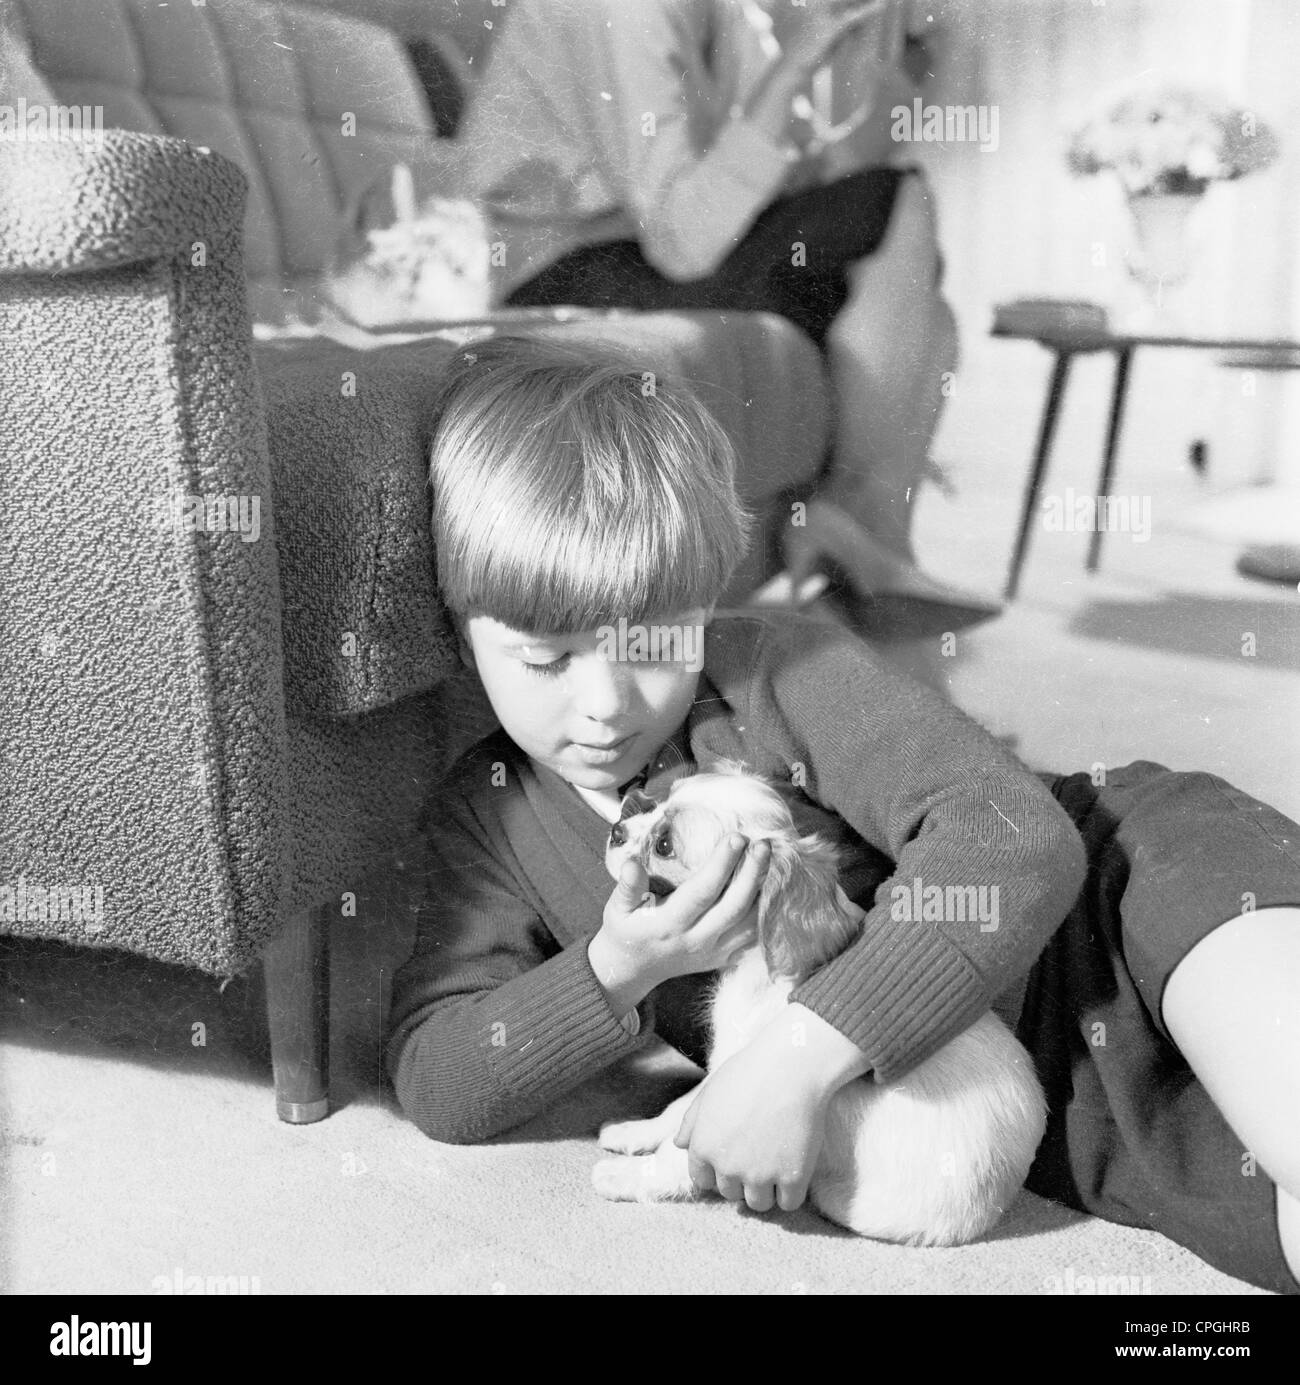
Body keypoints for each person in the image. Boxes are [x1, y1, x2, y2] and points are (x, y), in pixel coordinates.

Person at [386, 337, 1300, 1294]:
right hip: (1033, 1102)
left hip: (1120, 903)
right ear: (462, 634)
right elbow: (439, 1076)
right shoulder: (489, 819)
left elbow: (1015, 835)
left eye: (654, 643)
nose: (607, 702)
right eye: (545, 661)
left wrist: (794, 1061)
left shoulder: (777, 670)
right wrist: (623, 966)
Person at [456, 0, 997, 623]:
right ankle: (857, 527)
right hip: (562, 269)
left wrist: (848, 76)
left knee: (927, 310)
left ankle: (861, 537)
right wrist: (789, 71)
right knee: (897, 204)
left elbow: (790, 185)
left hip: (650, 255)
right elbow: (684, 241)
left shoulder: (732, 18)